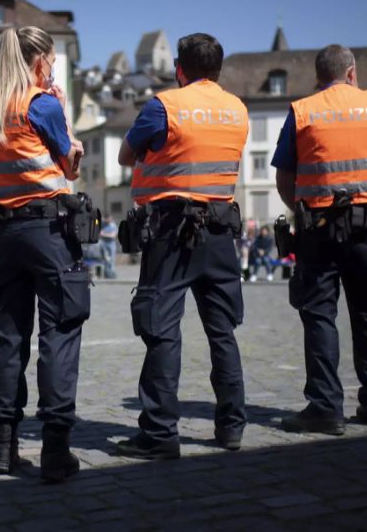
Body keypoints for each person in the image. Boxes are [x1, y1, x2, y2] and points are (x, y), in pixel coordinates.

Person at [115, 32, 249, 458]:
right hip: (219, 229)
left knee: (162, 331)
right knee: (222, 331)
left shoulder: (164, 105)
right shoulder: (237, 110)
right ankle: (231, 428)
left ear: (179, 68)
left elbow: (124, 155)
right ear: (218, 69)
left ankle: (159, 435)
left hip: (172, 231)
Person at [0, 25, 88, 482]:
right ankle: (56, 449)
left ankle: (4, 447)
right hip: (49, 228)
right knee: (60, 331)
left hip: (6, 234)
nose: (53, 67)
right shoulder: (42, 102)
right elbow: (68, 165)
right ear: (39, 61)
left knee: (11, 337)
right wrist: (71, 139)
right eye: (52, 60)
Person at [274, 44, 367, 435]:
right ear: (352, 73)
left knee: (319, 316)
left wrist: (303, 206)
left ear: (319, 76)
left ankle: (325, 407)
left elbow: (285, 177)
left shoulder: (303, 110)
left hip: (319, 228)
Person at [98, 215, 118, 279]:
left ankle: (111, 273)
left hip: (111, 244)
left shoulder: (113, 225)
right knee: (106, 259)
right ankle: (107, 273)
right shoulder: (103, 224)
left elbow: (113, 235)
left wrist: (104, 234)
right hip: (104, 243)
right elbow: (96, 222)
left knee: (111, 259)